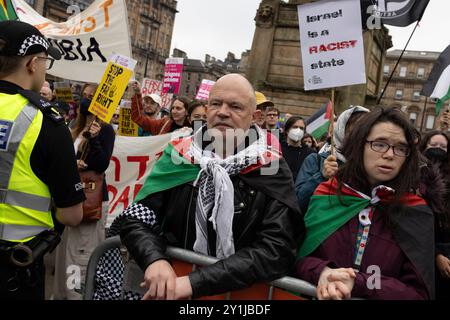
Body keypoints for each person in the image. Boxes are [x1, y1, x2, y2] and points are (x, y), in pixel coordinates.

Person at [94, 74, 304, 300]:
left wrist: (195, 283)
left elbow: (276, 249)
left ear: (254, 117)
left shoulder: (271, 166)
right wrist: (155, 259)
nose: (223, 111)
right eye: (216, 103)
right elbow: (137, 219)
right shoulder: (178, 156)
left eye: (235, 106)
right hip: (170, 291)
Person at [296, 107, 435, 300]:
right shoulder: (326, 195)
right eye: (379, 144)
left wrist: (359, 283)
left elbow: (418, 293)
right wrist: (322, 271)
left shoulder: (416, 210)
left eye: (401, 148)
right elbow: (296, 258)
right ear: (359, 145)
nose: (389, 154)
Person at [0, 20, 84, 300]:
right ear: (33, 63)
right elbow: (72, 215)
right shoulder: (45, 121)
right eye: (46, 61)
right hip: (14, 266)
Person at [53, 94, 115, 300]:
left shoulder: (105, 130)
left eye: (93, 115)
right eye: (86, 115)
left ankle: (79, 296)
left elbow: (101, 164)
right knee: (66, 252)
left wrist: (95, 140)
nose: (90, 119)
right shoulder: (74, 130)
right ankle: (64, 294)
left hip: (90, 199)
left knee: (82, 253)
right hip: (70, 198)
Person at [295, 106, 369, 213]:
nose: (360, 136)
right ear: (341, 130)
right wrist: (322, 176)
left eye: (366, 131)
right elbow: (298, 203)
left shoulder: (372, 166)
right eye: (355, 130)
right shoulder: (316, 160)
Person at [418, 130, 450, 300]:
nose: (438, 149)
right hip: (425, 248)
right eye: (434, 145)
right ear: (424, 146)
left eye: (443, 147)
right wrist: (436, 254)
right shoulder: (416, 175)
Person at [281, 116, 316, 181]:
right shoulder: (277, 150)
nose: (298, 130)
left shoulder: (311, 153)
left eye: (301, 128)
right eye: (295, 127)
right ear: (287, 130)